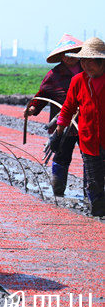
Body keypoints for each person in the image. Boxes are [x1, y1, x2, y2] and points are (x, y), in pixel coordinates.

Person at [24, 34, 84, 196]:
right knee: (61, 156)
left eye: (73, 53)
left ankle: (92, 194)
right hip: (63, 123)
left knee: (91, 157)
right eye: (66, 54)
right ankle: (58, 191)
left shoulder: (87, 69)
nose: (70, 57)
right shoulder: (54, 75)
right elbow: (42, 94)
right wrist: (33, 108)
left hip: (86, 122)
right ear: (61, 56)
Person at [54, 37, 105, 217]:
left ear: (101, 62)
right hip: (89, 140)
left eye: (90, 62)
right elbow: (68, 108)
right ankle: (97, 212)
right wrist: (58, 132)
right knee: (94, 182)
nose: (85, 66)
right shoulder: (78, 81)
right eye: (83, 61)